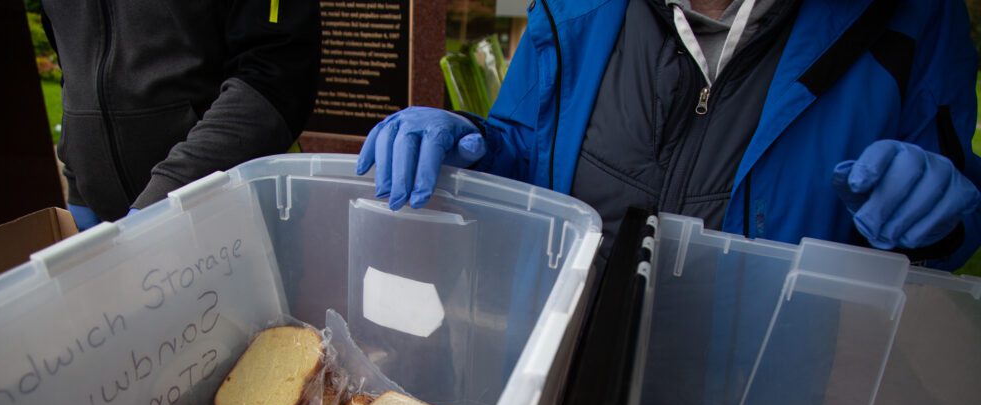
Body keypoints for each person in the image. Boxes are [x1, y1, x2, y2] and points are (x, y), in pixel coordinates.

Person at [356, 0, 981, 271]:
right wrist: (468, 142)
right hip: (566, 376)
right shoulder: (575, 9)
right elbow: (527, 148)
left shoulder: (909, 17)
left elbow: (949, 224)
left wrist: (938, 218)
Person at [40, 0, 320, 229]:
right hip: (110, 224)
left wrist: (169, 194)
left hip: (232, 221)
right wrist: (78, 176)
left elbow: (275, 74)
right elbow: (76, 61)